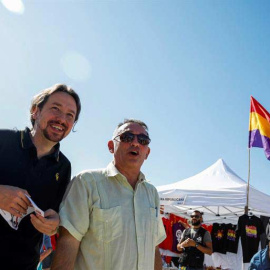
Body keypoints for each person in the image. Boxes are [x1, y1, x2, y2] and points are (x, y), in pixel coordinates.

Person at [51, 119, 166, 270]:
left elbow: (154, 248)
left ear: (147, 153)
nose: (136, 143)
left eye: (143, 140)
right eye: (127, 137)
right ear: (111, 146)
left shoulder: (151, 193)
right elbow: (68, 242)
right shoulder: (87, 183)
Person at [0, 83, 81, 270]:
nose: (62, 119)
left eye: (70, 115)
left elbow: (54, 216)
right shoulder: (4, 140)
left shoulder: (64, 166)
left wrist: (52, 225)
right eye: (56, 109)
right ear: (36, 111)